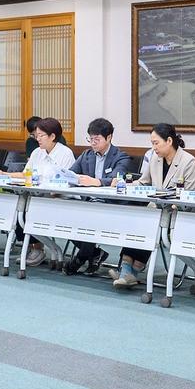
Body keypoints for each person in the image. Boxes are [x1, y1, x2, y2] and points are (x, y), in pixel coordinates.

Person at [116, 123, 195, 288]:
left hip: (178, 214)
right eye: (152, 143)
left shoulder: (188, 161)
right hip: (156, 210)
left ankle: (130, 272)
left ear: (169, 141)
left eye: (156, 143)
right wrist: (126, 185)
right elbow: (143, 181)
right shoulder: (155, 158)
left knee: (149, 224)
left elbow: (191, 197)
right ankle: (127, 271)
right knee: (137, 221)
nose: (153, 148)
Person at [0, 117, 74, 267]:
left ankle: (38, 249)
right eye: (36, 135)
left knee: (27, 211)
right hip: (37, 197)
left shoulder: (65, 154)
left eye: (41, 135)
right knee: (17, 211)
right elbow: (26, 174)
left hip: (57, 199)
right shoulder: (37, 152)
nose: (37, 139)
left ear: (52, 136)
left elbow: (66, 182)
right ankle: (33, 248)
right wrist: (5, 174)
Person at [63, 118, 134, 276]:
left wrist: (97, 182)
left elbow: (118, 179)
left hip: (110, 205)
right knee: (65, 218)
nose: (93, 143)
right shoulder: (87, 155)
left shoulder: (121, 157)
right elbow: (71, 173)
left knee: (87, 219)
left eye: (97, 139)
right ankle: (94, 253)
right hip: (88, 203)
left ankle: (80, 258)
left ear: (109, 138)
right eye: (90, 139)